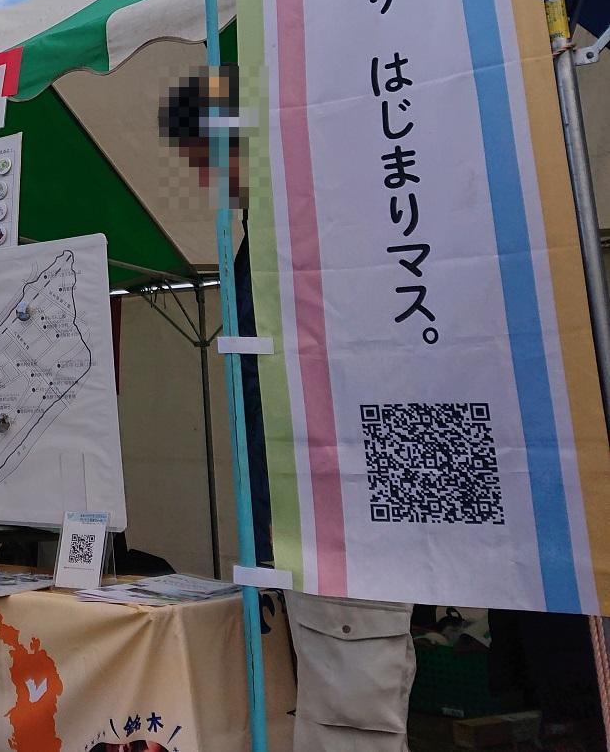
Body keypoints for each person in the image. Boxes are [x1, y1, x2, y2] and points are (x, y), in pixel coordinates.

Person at [162, 71, 415, 752]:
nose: (209, 174)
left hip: (343, 526)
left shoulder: (317, 234)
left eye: (210, 152)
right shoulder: (269, 238)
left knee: (349, 721)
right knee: (328, 709)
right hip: (303, 530)